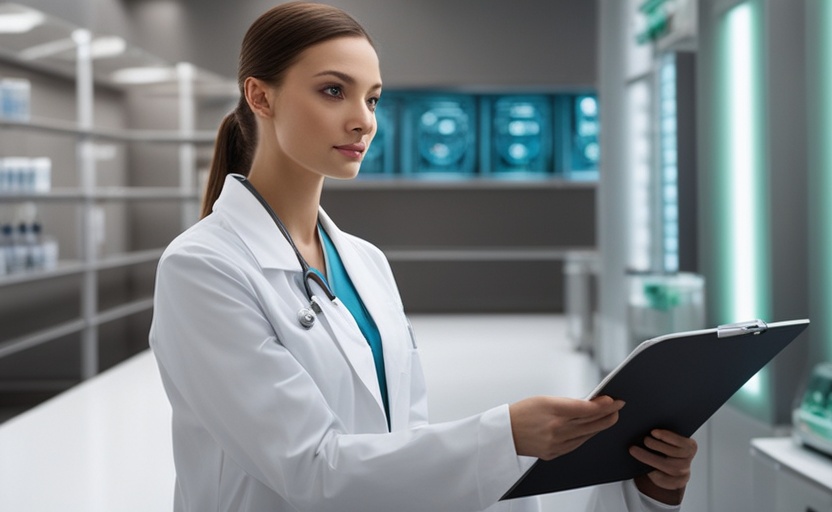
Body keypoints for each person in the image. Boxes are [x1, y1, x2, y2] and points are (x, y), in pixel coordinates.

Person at [149, 3, 697, 511]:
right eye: (334, 91)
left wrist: (640, 483)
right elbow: (308, 469)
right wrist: (504, 436)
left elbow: (408, 460)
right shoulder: (202, 268)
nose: (363, 120)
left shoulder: (365, 263)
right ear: (260, 97)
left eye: (373, 98)